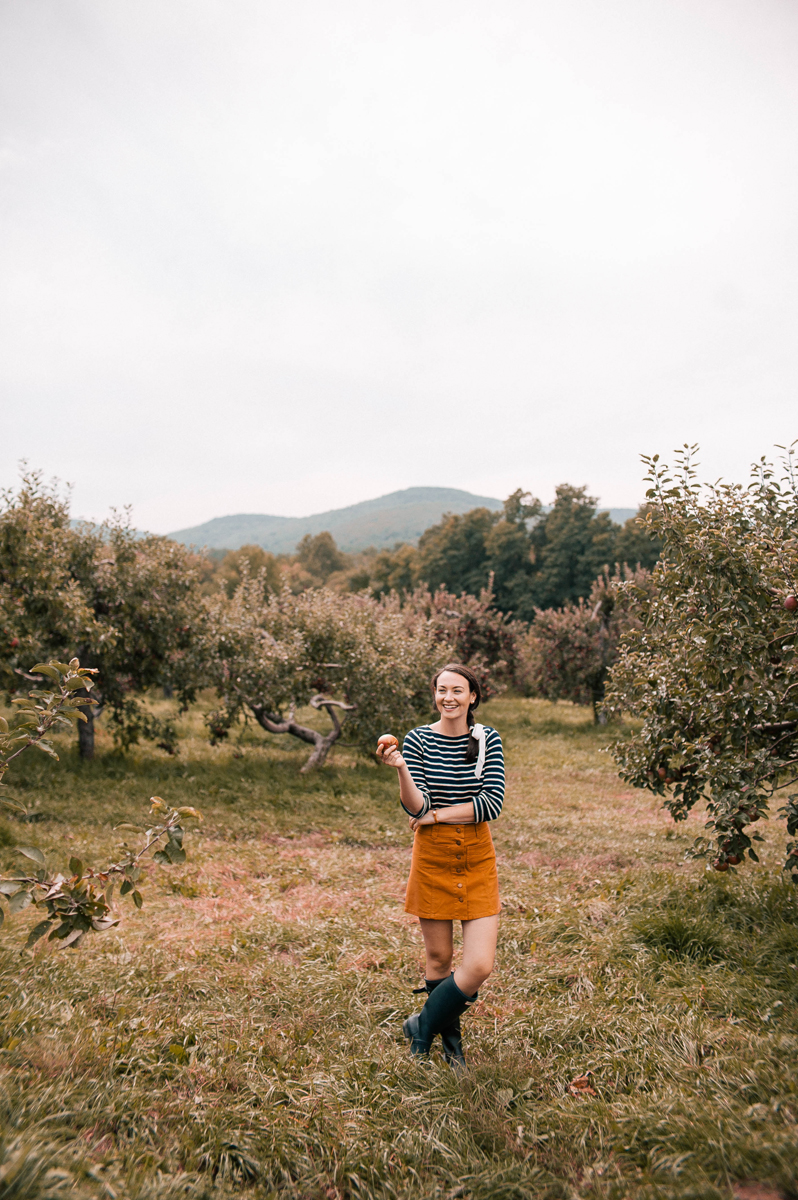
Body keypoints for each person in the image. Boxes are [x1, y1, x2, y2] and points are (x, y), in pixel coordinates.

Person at [377, 662, 505, 1066]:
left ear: (473, 697)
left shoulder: (488, 741)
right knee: (438, 960)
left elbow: (491, 804)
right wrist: (401, 770)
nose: (448, 698)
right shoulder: (416, 741)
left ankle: (423, 1025)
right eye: (442, 690)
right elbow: (417, 806)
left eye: (457, 691)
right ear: (435, 694)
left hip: (476, 856)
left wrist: (437, 817)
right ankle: (451, 1048)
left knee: (480, 964)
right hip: (432, 857)